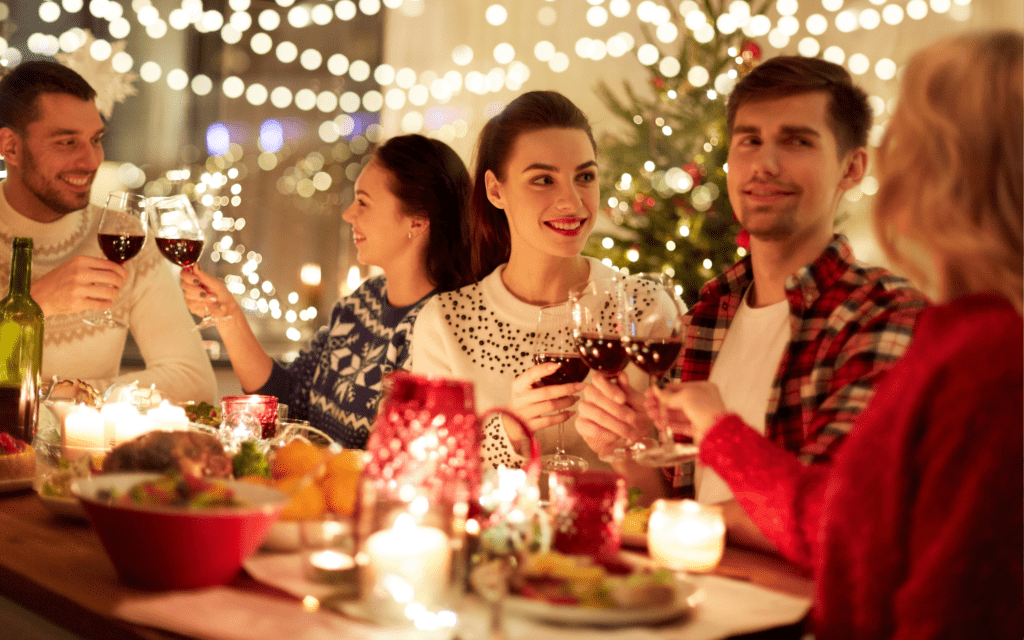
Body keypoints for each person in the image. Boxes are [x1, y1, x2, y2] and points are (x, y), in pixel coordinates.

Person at [655, 30, 1023, 640]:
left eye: (912, 136)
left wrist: (718, 434)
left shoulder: (974, 349)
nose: (896, 159)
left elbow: (850, 538)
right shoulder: (709, 310)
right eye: (749, 141)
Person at [576, 56, 929, 517]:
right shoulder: (704, 318)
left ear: (852, 168)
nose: (764, 163)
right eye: (749, 141)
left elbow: (837, 517)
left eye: (797, 141)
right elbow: (672, 507)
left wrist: (701, 488)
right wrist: (628, 450)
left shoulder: (884, 315)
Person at [182, 134, 473, 448]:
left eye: (363, 202)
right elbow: (291, 400)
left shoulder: (446, 325)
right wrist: (228, 316)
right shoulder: (360, 304)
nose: (349, 214)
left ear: (416, 222)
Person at [411, 90, 646, 472]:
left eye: (584, 176)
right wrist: (505, 435)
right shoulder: (445, 324)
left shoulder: (643, 309)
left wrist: (634, 448)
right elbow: (430, 482)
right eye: (543, 180)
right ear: (495, 190)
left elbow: (682, 494)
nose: (572, 202)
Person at [0, 60, 216, 402]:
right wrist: (34, 305)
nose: (91, 161)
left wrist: (70, 393)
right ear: (11, 147)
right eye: (67, 142)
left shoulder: (126, 238)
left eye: (96, 139)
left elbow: (194, 382)